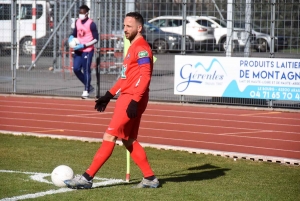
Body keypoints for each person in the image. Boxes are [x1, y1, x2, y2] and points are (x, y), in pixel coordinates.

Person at [64, 12, 159, 189]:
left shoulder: (142, 48)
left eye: (129, 26)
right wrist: (108, 95)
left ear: (139, 28)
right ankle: (150, 178)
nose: (125, 29)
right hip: (129, 97)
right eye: (124, 26)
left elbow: (145, 77)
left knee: (110, 136)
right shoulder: (133, 47)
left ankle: (87, 178)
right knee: (128, 139)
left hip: (132, 98)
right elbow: (125, 78)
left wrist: (135, 100)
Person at [68, 5, 99, 99]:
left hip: (87, 50)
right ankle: (89, 86)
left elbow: (96, 39)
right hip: (78, 50)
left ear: (87, 13)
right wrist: (71, 38)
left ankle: (86, 90)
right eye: (79, 13)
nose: (80, 15)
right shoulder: (77, 22)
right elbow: (74, 33)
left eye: (82, 13)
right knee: (76, 69)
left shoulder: (91, 24)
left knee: (86, 70)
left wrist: (85, 45)